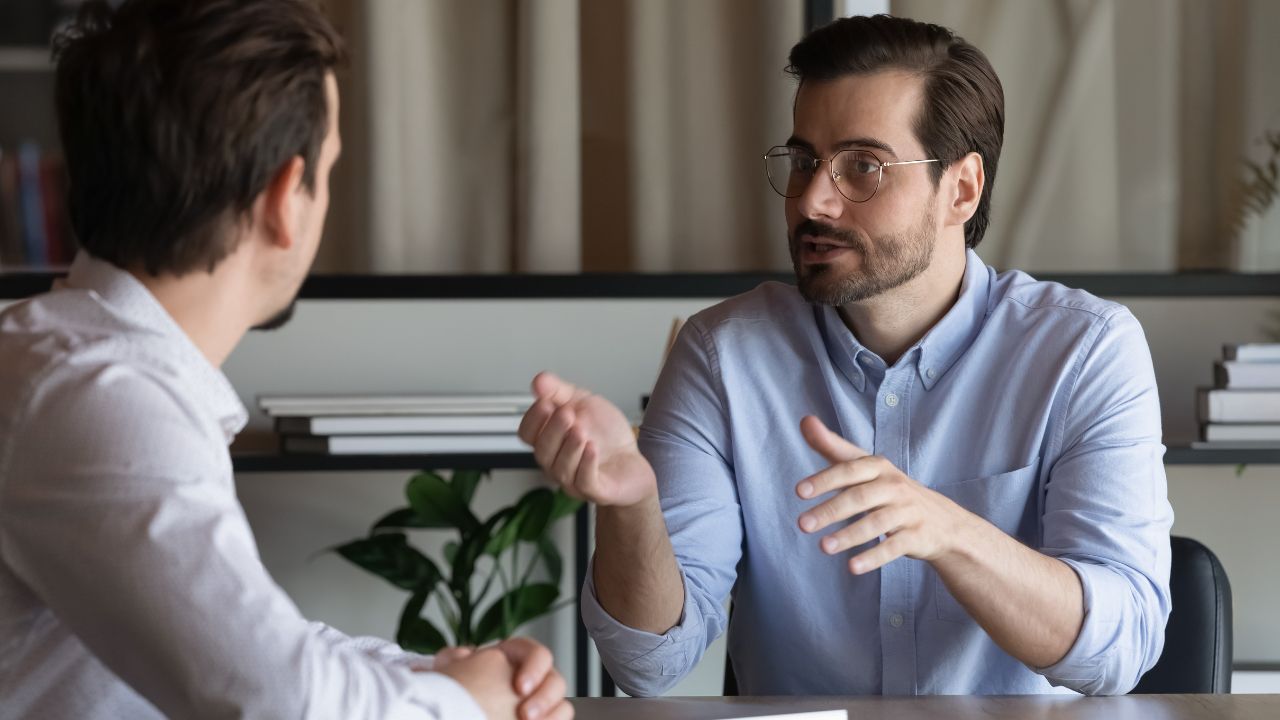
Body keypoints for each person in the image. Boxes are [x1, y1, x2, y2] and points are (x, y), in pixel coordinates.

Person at [519, 14, 1172, 697]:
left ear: (962, 189)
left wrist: (948, 532)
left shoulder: (1085, 350)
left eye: (863, 166)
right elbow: (649, 665)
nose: (813, 199)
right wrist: (632, 506)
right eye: (804, 161)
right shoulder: (721, 356)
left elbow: (1119, 650)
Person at [0, 2, 571, 719]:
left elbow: (255, 643)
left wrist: (433, 674)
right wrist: (462, 705)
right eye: (327, 173)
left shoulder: (75, 361)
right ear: (284, 199)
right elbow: (280, 702)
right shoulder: (98, 395)